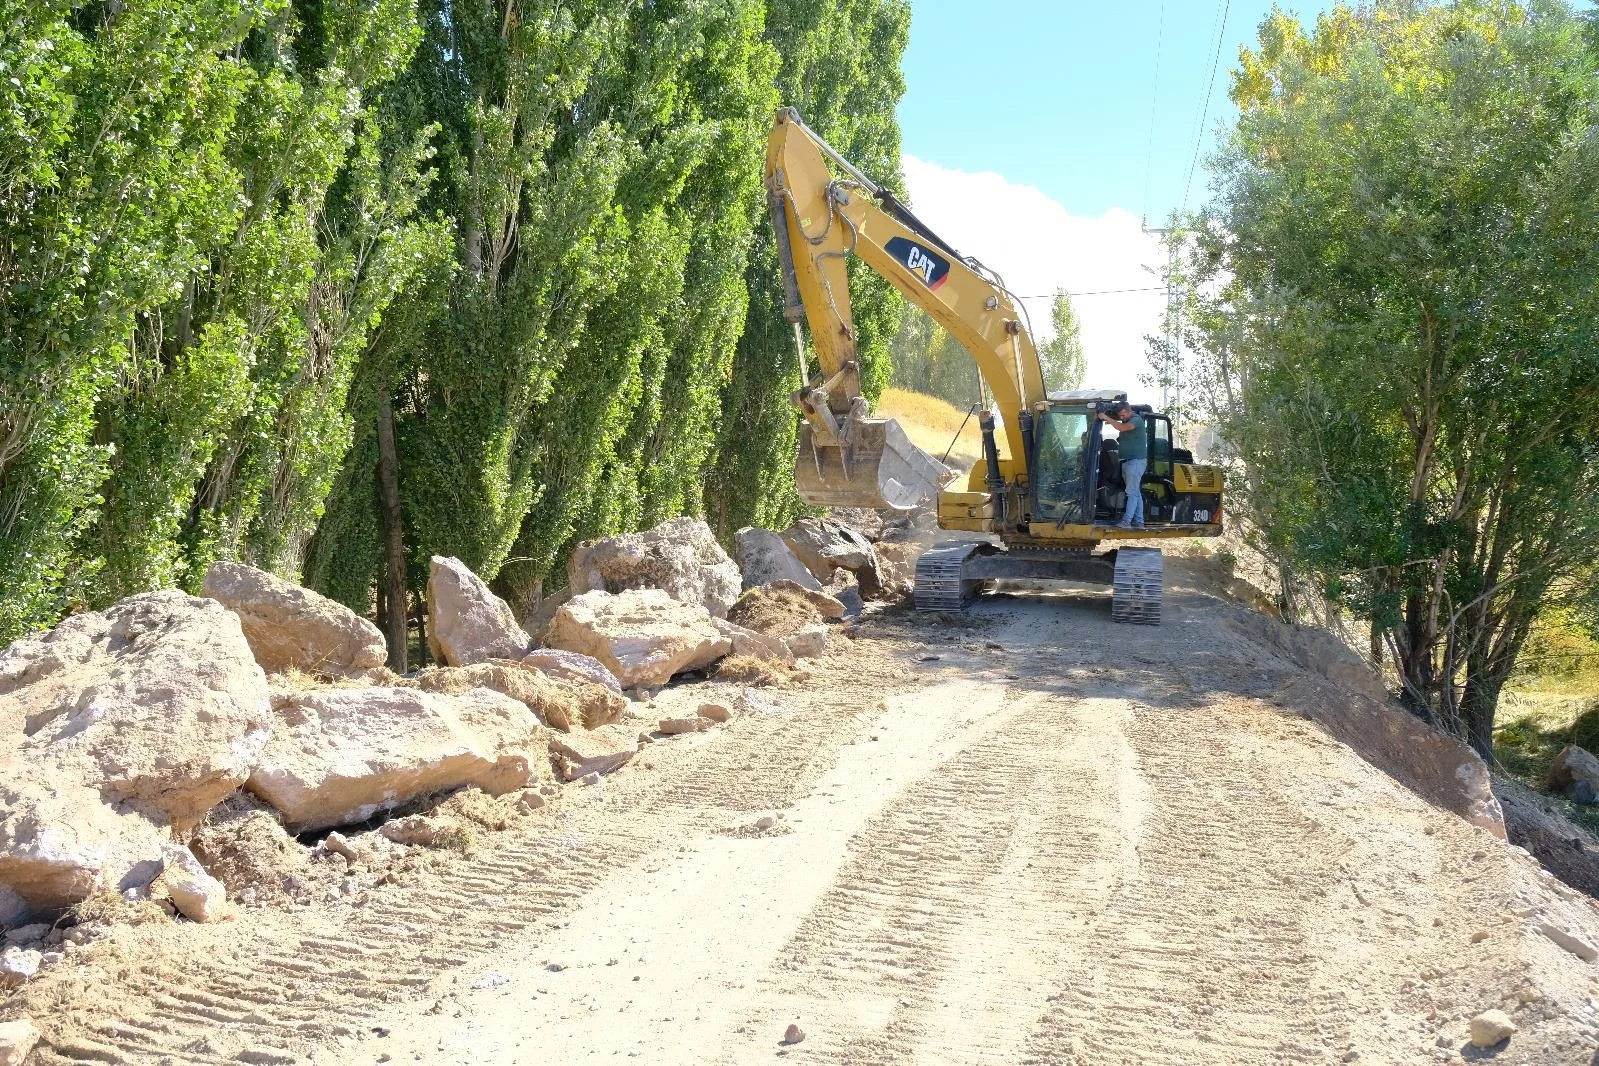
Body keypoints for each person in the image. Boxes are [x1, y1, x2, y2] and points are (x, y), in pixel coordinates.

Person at [1098, 401, 1147, 529]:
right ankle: (1139, 521)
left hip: (1135, 462)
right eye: (1119, 416)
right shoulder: (1127, 420)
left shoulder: (1136, 420)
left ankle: (1127, 521)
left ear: (1129, 410)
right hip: (1128, 462)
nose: (1121, 418)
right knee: (1135, 492)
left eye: (1123, 415)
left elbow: (1122, 428)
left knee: (1131, 492)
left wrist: (1106, 417)